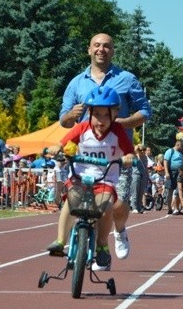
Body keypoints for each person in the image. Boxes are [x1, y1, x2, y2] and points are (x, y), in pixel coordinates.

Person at [59, 32, 151, 261]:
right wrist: (71, 115)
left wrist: (122, 122)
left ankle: (119, 231)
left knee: (117, 205)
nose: (101, 49)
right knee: (77, 200)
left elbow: (145, 112)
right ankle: (80, 242)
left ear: (113, 51)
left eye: (107, 46)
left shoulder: (127, 79)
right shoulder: (77, 82)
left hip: (116, 153)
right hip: (84, 154)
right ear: (89, 50)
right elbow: (63, 119)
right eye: (97, 45)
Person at [46, 86, 135, 271]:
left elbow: (130, 153)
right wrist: (57, 148)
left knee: (105, 205)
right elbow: (62, 143)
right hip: (79, 177)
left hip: (104, 180)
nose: (100, 121)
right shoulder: (82, 128)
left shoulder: (117, 132)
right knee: (72, 201)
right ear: (89, 113)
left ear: (115, 114)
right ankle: (61, 240)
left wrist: (128, 158)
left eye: (105, 115)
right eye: (96, 115)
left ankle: (102, 245)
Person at [164, 138, 183, 215]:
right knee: (170, 190)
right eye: (182, 146)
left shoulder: (181, 153)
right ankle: (170, 208)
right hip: (171, 172)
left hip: (180, 173)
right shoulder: (170, 151)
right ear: (178, 144)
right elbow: (165, 161)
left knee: (179, 190)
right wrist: (167, 172)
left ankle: (177, 208)